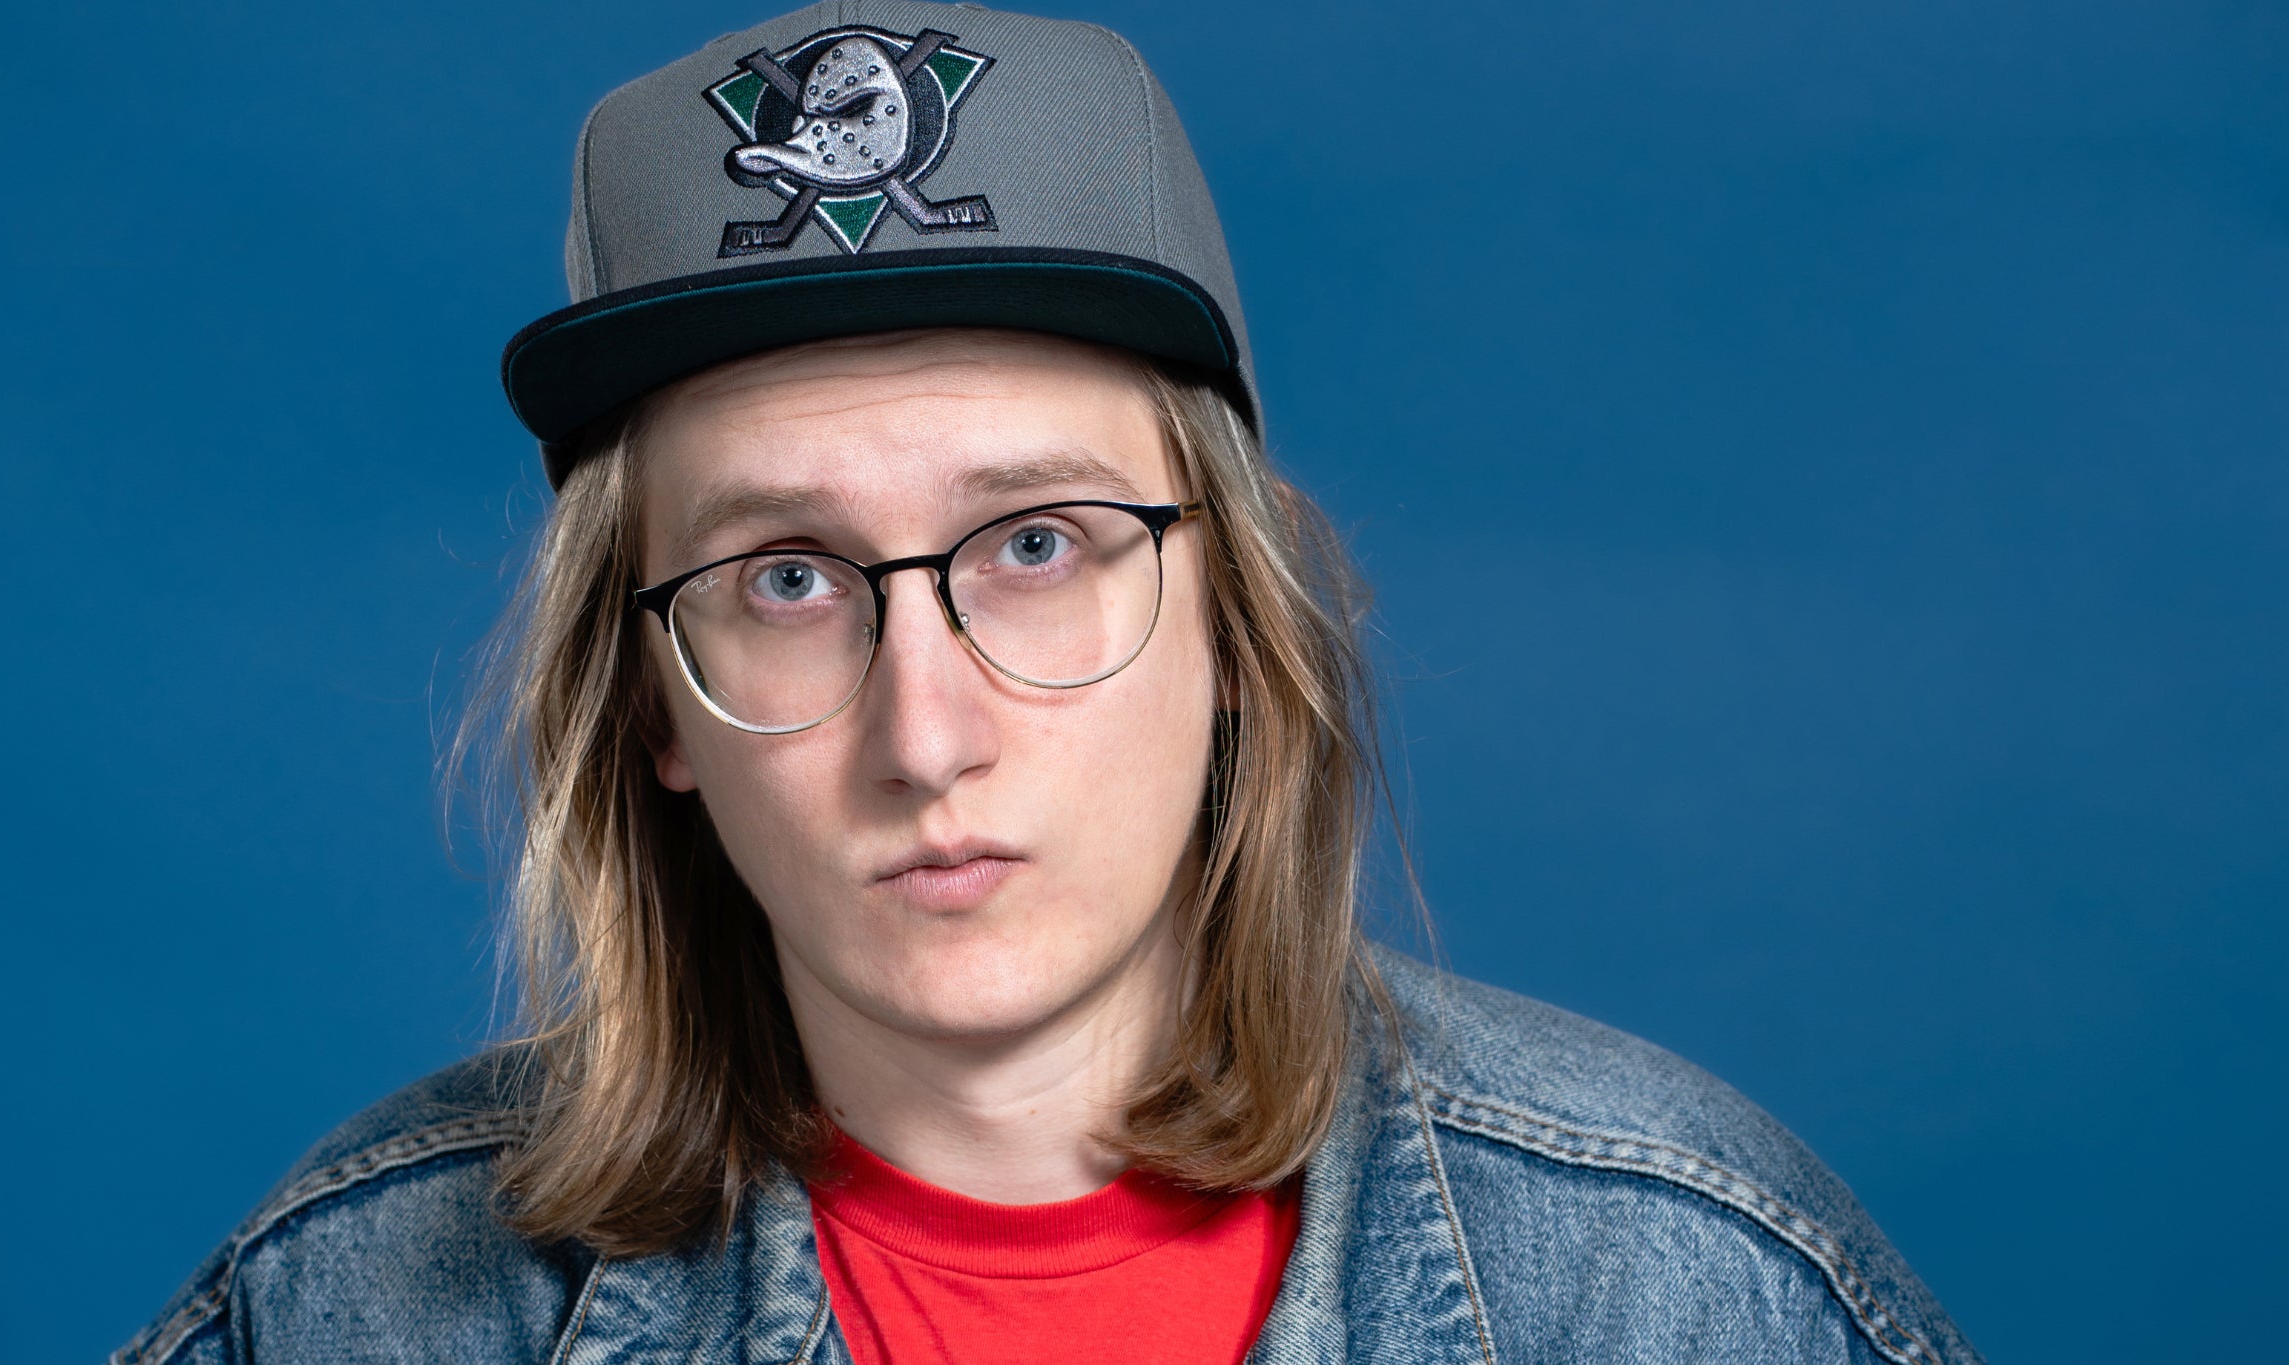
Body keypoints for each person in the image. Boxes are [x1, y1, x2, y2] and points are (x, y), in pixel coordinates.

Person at [116, 4, 1982, 1362]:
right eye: (786, 578)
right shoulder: (360, 1306)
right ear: (656, 700)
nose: (924, 735)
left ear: (1236, 615)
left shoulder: (1679, 1287)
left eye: (1034, 543)